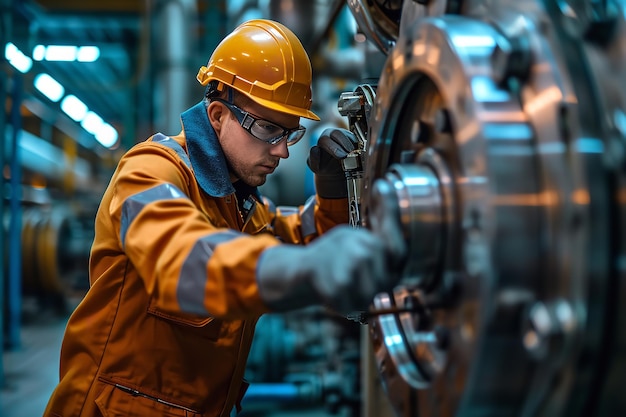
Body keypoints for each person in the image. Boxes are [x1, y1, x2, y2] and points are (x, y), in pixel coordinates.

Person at [44, 19, 405, 417]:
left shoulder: (242, 207)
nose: (283, 152)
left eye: (290, 133)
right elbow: (183, 260)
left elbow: (308, 240)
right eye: (269, 128)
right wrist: (307, 268)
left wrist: (333, 192)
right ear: (217, 115)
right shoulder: (149, 171)